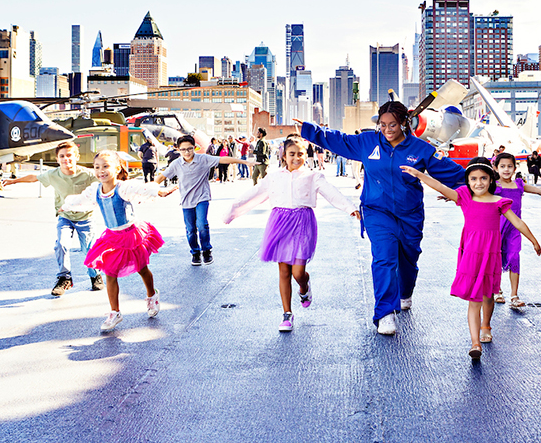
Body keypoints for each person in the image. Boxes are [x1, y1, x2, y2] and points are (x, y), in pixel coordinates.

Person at [298, 101, 465, 336]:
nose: (387, 130)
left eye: (393, 125)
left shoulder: (421, 149)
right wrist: (309, 129)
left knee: (409, 259)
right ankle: (385, 313)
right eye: (383, 125)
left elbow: (451, 171)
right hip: (377, 212)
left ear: (404, 123)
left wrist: (484, 179)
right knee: (384, 258)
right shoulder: (367, 143)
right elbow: (338, 140)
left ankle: (405, 292)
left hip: (410, 215)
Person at [401, 158, 540, 359]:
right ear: (468, 181)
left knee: (488, 295)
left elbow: (517, 222)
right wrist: (420, 175)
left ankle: (486, 325)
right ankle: (475, 343)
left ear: (491, 180)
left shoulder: (499, 202)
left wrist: (534, 241)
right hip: (472, 255)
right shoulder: (465, 197)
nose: (478, 183)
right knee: (475, 298)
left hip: (491, 255)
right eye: (473, 179)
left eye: (483, 178)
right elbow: (440, 186)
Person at [224, 138, 360, 331]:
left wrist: (350, 208)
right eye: (292, 154)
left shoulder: (313, 176)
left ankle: (304, 286)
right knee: (284, 271)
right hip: (279, 224)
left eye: (300, 154)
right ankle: (287, 314)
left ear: (306, 155)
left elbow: (331, 192)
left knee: (298, 272)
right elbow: (254, 193)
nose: (296, 158)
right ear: (284, 156)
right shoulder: (274, 176)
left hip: (303, 223)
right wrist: (232, 210)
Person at [61, 150, 172, 332]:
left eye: (106, 166)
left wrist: (159, 191)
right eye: (97, 167)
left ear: (117, 168)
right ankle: (115, 312)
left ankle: (152, 295)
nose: (101, 171)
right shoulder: (95, 190)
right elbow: (80, 200)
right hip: (112, 237)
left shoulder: (123, 188)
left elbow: (142, 189)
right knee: (109, 274)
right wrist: (65, 207)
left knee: (142, 269)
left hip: (131, 235)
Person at [2, 141, 103, 296]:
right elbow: (34, 177)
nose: (66, 159)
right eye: (62, 156)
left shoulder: (87, 175)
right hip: (65, 216)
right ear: (57, 159)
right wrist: (13, 181)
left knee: (89, 249)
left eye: (69, 155)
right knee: (61, 244)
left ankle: (95, 275)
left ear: (76, 157)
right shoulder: (53, 174)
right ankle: (64, 277)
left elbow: (105, 183)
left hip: (85, 217)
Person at [156, 134, 250, 265]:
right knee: (190, 230)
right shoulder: (176, 164)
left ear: (195, 147)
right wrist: (154, 191)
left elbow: (223, 160)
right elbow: (159, 178)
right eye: (183, 150)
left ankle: (206, 250)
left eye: (190, 149)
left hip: (202, 197)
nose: (187, 152)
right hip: (186, 200)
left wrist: (244, 162)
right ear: (178, 150)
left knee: (202, 225)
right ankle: (195, 253)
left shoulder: (203, 159)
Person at [491, 152, 541, 308]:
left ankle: (514, 295)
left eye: (510, 166)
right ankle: (496, 290)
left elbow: (539, 191)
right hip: (496, 228)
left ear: (515, 168)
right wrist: (452, 196)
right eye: (502, 166)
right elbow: (473, 193)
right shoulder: (494, 186)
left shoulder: (519, 185)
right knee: (496, 259)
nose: (506, 169)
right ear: (496, 168)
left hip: (514, 229)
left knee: (514, 258)